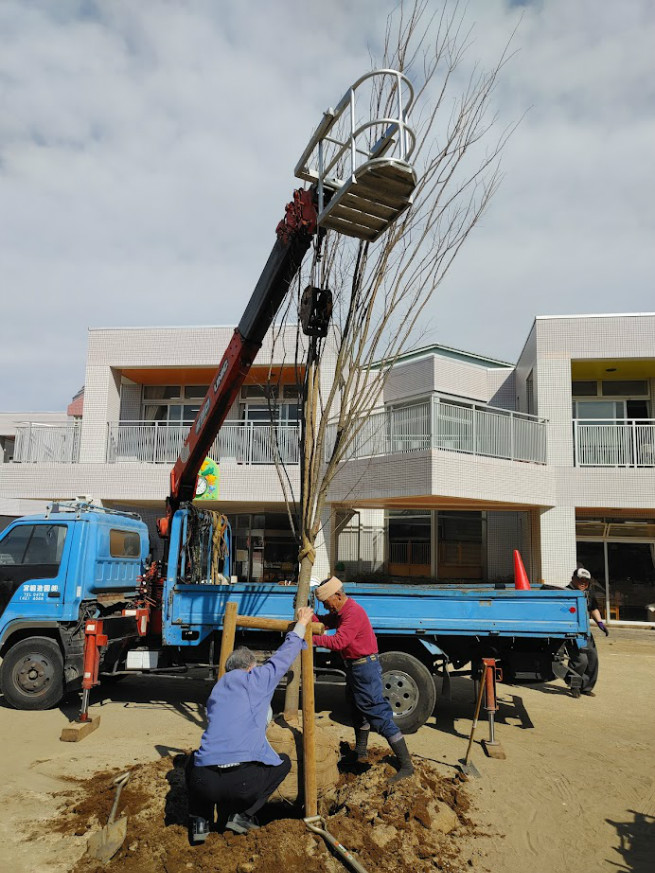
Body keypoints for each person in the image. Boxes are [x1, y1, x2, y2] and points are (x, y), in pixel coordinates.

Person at [185, 605, 314, 844]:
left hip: (205, 783)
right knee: (283, 764)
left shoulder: (217, 690)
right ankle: (242, 816)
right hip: (242, 784)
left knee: (192, 759)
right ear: (251, 667)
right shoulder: (257, 679)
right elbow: (284, 656)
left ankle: (200, 821)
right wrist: (302, 623)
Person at [312, 576, 414, 782]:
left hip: (365, 669)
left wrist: (307, 637)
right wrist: (308, 617)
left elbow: (339, 642)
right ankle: (360, 752)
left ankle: (406, 764)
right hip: (355, 667)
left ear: (338, 596)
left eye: (326, 603)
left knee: (377, 712)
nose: (325, 607)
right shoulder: (341, 611)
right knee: (357, 710)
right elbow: (324, 621)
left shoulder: (353, 613)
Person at [566, 567, 609, 698]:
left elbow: (593, 608)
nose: (583, 583)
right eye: (580, 580)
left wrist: (600, 623)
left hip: (585, 632)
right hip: (571, 633)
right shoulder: (565, 593)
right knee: (580, 660)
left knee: (592, 659)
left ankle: (586, 687)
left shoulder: (589, 593)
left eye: (586, 580)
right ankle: (575, 686)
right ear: (573, 579)